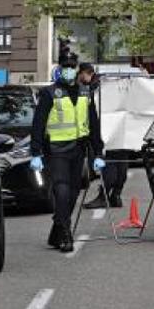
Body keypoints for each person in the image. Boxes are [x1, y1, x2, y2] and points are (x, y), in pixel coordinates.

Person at [30, 53, 104, 252]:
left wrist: (98, 152)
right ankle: (65, 234)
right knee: (61, 190)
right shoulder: (50, 93)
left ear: (77, 70)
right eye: (66, 66)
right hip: (56, 150)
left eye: (72, 66)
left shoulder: (84, 92)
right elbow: (38, 123)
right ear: (60, 69)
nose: (69, 70)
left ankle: (57, 229)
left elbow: (93, 123)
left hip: (78, 149)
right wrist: (35, 152)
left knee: (72, 193)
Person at [74, 62, 126, 210]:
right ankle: (116, 195)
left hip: (104, 132)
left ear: (84, 73)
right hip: (121, 130)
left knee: (108, 163)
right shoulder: (111, 85)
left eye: (80, 75)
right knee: (121, 161)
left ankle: (103, 197)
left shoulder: (95, 88)